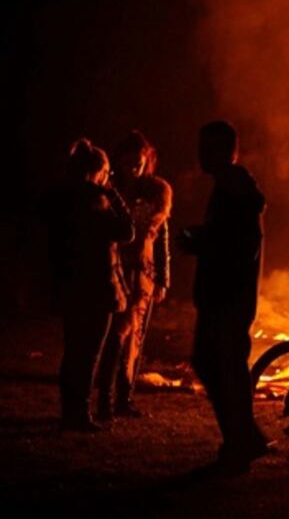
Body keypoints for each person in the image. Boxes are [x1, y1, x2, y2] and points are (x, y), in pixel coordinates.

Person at [178, 121, 267, 472]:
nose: (201, 155)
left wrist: (200, 241)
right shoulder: (230, 188)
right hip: (224, 295)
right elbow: (229, 238)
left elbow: (239, 246)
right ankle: (244, 438)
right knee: (220, 365)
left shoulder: (236, 191)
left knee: (220, 365)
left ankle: (241, 441)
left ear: (226, 151)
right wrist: (203, 237)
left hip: (228, 297)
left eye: (208, 148)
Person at [44, 139, 134, 431]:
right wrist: (113, 192)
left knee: (73, 351)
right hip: (97, 288)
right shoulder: (96, 200)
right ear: (99, 171)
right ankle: (78, 414)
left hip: (72, 287)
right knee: (88, 354)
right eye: (107, 172)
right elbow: (127, 231)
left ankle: (70, 410)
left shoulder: (64, 198)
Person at [97, 131, 172, 419]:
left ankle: (124, 398)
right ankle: (105, 396)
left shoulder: (157, 192)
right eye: (128, 163)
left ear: (146, 162)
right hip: (115, 270)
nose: (133, 169)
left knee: (135, 338)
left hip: (144, 272)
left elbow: (161, 234)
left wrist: (163, 277)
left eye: (137, 164)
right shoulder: (110, 191)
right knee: (115, 336)